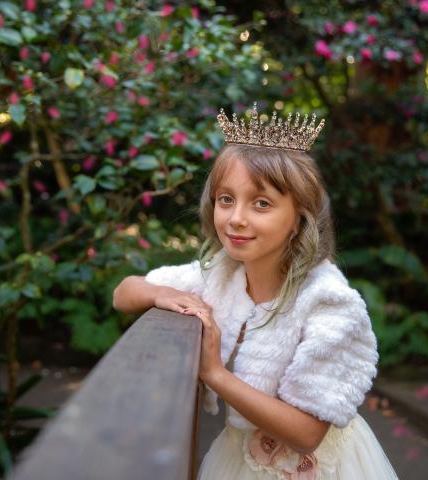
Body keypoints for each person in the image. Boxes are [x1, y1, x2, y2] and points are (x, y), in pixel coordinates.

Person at [112, 103, 399, 479]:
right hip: (239, 461)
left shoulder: (329, 303)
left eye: (261, 203)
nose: (236, 218)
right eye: (226, 199)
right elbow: (124, 292)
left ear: (298, 218)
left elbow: (307, 433)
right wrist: (160, 295)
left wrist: (214, 374)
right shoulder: (222, 276)